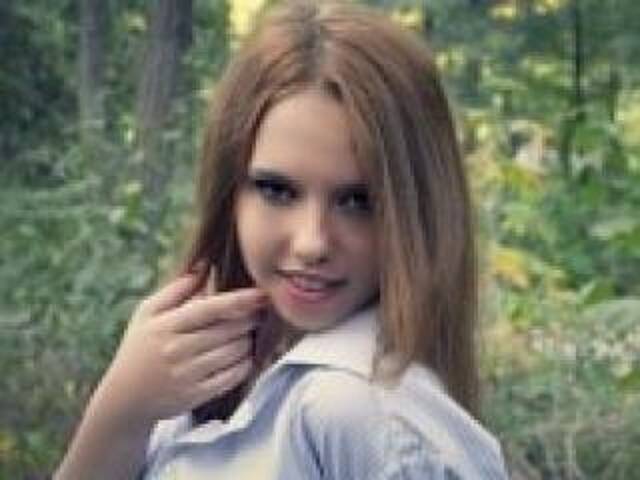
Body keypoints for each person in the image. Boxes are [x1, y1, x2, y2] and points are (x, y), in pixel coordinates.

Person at [55, 1, 509, 478]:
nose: (313, 242)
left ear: (416, 209)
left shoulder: (361, 411)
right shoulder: (191, 373)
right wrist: (120, 414)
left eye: (358, 201)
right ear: (230, 191)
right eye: (277, 191)